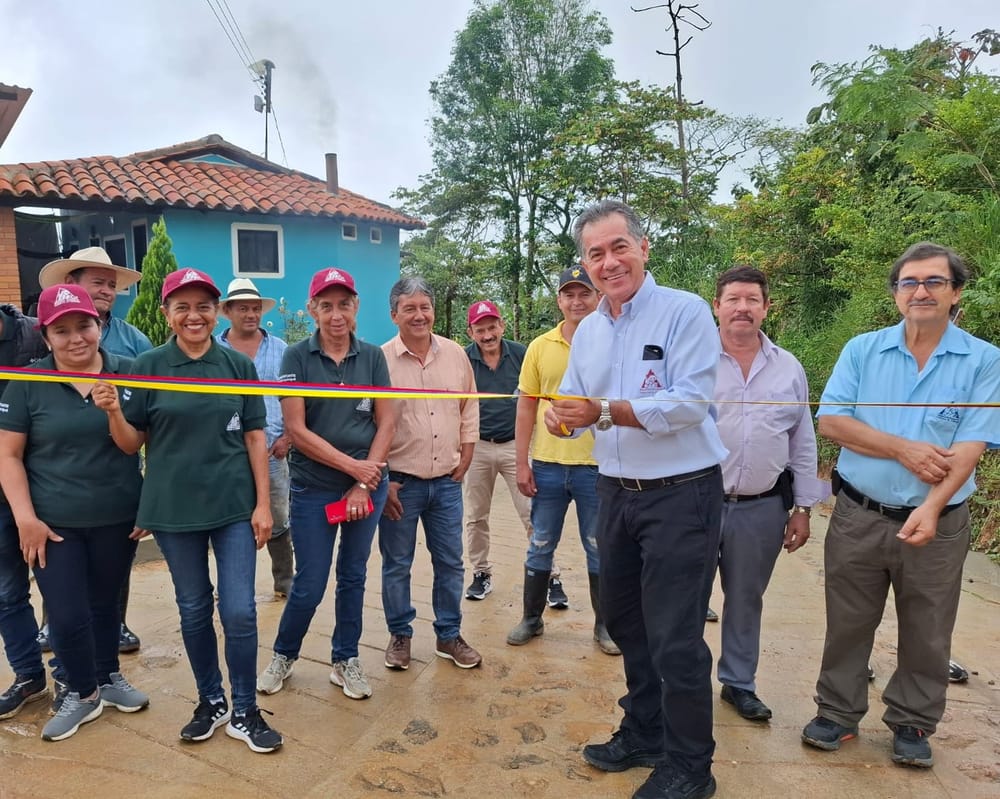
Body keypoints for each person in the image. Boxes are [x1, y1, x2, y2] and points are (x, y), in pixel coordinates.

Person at [546, 200, 725, 799]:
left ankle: (690, 766)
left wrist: (603, 411)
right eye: (595, 253)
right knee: (625, 621)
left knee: (676, 634)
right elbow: (573, 397)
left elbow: (688, 404)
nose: (609, 261)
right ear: (585, 264)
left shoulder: (685, 312)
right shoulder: (590, 330)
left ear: (644, 248)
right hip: (615, 493)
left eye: (618, 246)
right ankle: (645, 731)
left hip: (682, 494)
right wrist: (563, 419)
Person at [801, 242, 1000, 769]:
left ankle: (912, 719)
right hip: (858, 514)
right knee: (847, 620)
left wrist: (932, 507)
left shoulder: (985, 361)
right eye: (909, 282)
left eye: (935, 281)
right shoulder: (862, 351)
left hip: (941, 522)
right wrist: (903, 448)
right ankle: (838, 713)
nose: (921, 291)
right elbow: (833, 422)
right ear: (895, 295)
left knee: (929, 627)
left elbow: (972, 445)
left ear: (956, 293)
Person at [103, 267, 282, 753]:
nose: (193, 315)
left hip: (233, 506)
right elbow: (129, 443)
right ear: (167, 313)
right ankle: (211, 701)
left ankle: (245, 707)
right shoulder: (147, 366)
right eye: (182, 306)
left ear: (216, 311)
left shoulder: (237, 367)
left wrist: (263, 504)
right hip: (174, 509)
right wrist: (116, 412)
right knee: (193, 608)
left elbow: (254, 436)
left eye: (203, 305)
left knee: (241, 611)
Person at [0, 284, 148, 741]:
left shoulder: (131, 372)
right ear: (45, 337)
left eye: (83, 325)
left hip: (117, 514)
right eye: (61, 331)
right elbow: (8, 455)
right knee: (65, 614)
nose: (75, 338)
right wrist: (26, 517)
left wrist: (113, 413)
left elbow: (135, 445)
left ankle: (106, 677)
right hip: (53, 523)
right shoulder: (28, 381)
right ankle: (80, 693)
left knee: (106, 606)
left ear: (98, 325)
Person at [256, 267, 394, 700]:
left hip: (368, 485)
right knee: (311, 581)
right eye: (327, 306)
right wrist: (353, 471)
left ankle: (345, 658)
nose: (336, 315)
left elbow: (387, 421)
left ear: (356, 308)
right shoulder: (296, 357)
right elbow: (295, 430)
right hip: (314, 488)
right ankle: (284, 654)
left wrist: (365, 482)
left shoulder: (372, 357)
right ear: (313, 309)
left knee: (353, 576)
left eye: (344, 305)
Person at [711, 265, 824, 722]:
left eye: (752, 299)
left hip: (761, 507)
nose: (742, 307)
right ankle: (676, 682)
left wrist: (802, 507)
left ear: (766, 307)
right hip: (695, 504)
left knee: (745, 597)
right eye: (733, 298)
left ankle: (738, 683)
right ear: (716, 305)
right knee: (681, 598)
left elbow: (803, 441)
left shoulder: (788, 368)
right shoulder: (692, 361)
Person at [38, 246, 152, 656]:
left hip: (115, 476)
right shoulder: (46, 338)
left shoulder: (133, 341)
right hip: (58, 483)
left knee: (111, 574)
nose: (106, 291)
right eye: (97, 283)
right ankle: (53, 630)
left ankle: (114, 630)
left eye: (111, 285)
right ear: (72, 285)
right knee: (62, 580)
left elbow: (148, 406)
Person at [508, 266, 618, 654]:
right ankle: (531, 618)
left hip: (597, 466)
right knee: (540, 543)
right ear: (559, 300)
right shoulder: (540, 347)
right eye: (569, 295)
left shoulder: (613, 343)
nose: (577, 302)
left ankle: (605, 627)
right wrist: (521, 462)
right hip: (548, 465)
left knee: (599, 545)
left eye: (584, 294)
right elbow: (525, 408)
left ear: (598, 297)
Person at [378, 277, 483, 671]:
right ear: (394, 315)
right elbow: (371, 423)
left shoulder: (456, 354)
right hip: (400, 484)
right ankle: (400, 634)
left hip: (447, 483)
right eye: (410, 308)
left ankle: (449, 634)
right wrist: (382, 478)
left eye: (425, 307)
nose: (419, 315)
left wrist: (468, 451)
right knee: (397, 563)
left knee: (451, 562)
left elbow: (469, 406)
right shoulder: (380, 361)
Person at [217, 278, 294, 598]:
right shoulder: (213, 350)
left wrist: (289, 436)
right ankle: (232, 584)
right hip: (227, 451)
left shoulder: (281, 350)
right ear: (228, 311)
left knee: (277, 512)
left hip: (273, 449)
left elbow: (296, 397)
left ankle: (284, 578)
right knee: (228, 516)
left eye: (255, 308)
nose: (251, 314)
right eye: (243, 308)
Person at [462, 299, 531, 601]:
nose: (488, 335)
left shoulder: (522, 354)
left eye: (492, 327)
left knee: (532, 513)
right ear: (471, 332)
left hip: (515, 445)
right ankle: (481, 573)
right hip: (477, 446)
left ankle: (549, 575)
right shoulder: (462, 360)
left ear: (501, 325)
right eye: (481, 330)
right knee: (476, 516)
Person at [0, 302, 49, 721]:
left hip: (46, 489)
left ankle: (75, 675)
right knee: (6, 593)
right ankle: (29, 675)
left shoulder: (35, 334)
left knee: (62, 590)